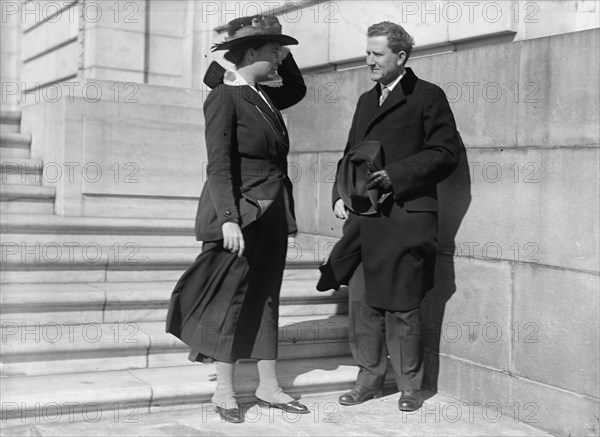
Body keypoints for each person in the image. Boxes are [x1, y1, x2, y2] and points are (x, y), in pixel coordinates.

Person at [166, 15, 308, 423]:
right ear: (247, 53)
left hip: (273, 210)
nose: (279, 59)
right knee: (230, 299)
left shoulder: (263, 95)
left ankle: (268, 385)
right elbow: (219, 166)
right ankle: (224, 390)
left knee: (266, 296)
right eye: (271, 51)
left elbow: (294, 86)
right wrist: (228, 218)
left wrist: (275, 36)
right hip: (241, 213)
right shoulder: (224, 97)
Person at [319, 21, 460, 412]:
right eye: (367, 54)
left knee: (402, 305)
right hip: (364, 217)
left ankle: (409, 385)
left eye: (376, 54)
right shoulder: (367, 100)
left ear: (400, 56)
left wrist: (396, 175)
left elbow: (446, 153)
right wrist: (339, 193)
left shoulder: (428, 96)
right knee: (363, 305)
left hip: (406, 215)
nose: (369, 61)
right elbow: (350, 152)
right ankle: (368, 380)